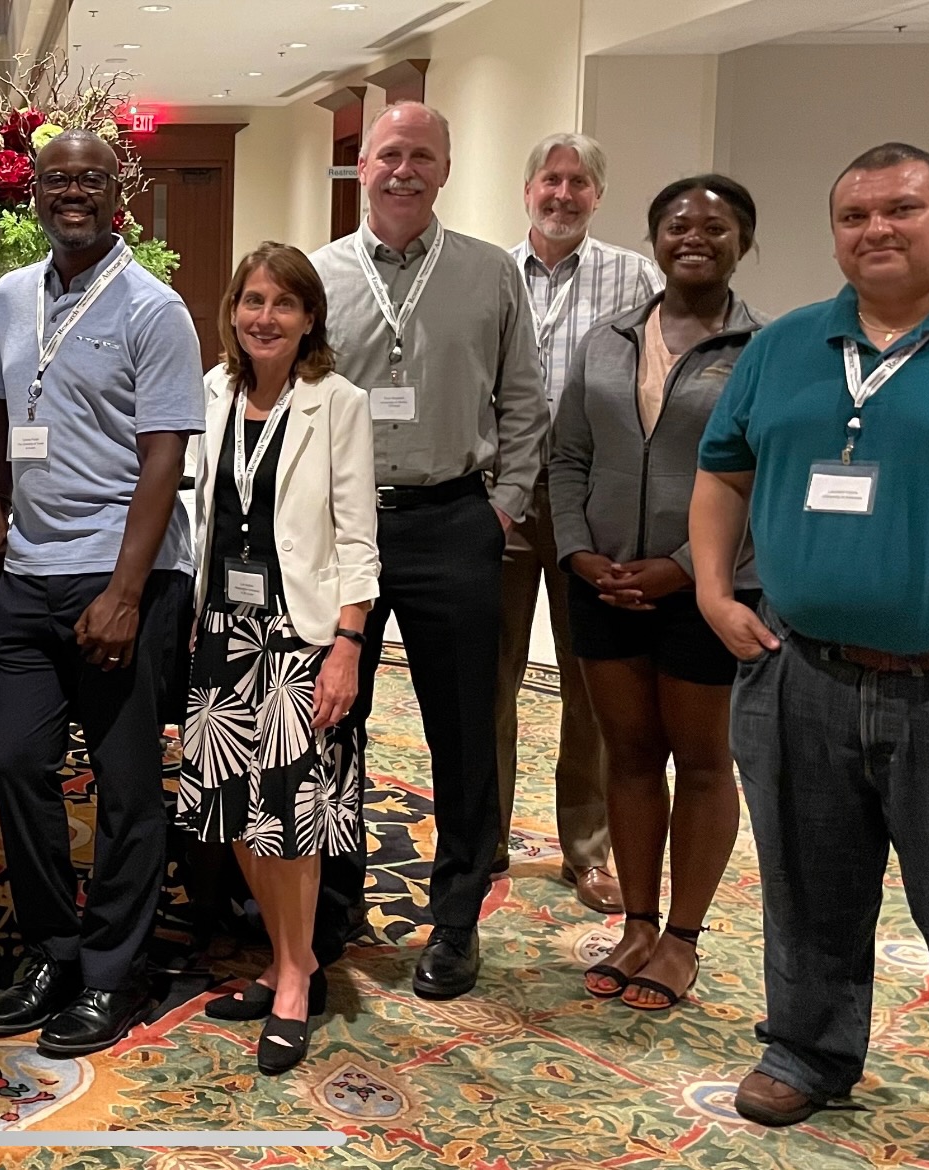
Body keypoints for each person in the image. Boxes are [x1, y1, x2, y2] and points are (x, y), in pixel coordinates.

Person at [691, 142, 929, 1170]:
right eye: (854, 215)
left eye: (901, 209)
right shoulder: (785, 348)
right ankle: (808, 1051)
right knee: (806, 885)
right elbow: (723, 468)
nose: (876, 230)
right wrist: (712, 588)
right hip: (803, 673)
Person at [0, 129, 204, 1057]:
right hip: (28, 573)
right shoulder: (15, 294)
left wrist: (128, 591)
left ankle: (113, 972)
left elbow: (164, 453)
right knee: (17, 765)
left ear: (117, 194)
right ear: (37, 196)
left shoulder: (157, 308)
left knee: (128, 786)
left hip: (120, 578)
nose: (72, 195)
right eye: (57, 181)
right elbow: (6, 404)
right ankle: (57, 948)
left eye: (89, 182)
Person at [308, 101, 549, 1000]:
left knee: (462, 726)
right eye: (387, 155)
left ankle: (455, 921)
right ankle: (330, 905)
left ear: (444, 168)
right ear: (360, 167)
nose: (403, 171)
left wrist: (505, 508)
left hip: (455, 520)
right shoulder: (320, 274)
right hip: (343, 528)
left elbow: (524, 401)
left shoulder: (489, 275)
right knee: (332, 720)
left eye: (421, 156)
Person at [549, 174, 766, 1012]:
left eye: (715, 227)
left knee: (703, 761)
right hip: (602, 583)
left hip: (707, 590)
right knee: (629, 757)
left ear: (743, 242)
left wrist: (685, 564)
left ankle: (682, 939)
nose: (695, 238)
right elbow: (568, 458)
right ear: (654, 237)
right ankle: (638, 924)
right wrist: (575, 552)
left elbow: (766, 478)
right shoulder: (605, 340)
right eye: (678, 224)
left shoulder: (764, 349)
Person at [180, 243, 378, 1076]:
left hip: (301, 637)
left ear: (309, 321)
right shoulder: (213, 391)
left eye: (283, 305)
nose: (264, 317)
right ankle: (281, 960)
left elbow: (359, 535)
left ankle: (295, 977)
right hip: (223, 629)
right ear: (233, 310)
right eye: (252, 301)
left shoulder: (338, 403)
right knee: (239, 813)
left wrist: (349, 644)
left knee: (293, 818)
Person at [500, 133, 665, 914]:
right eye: (549, 179)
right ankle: (484, 838)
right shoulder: (492, 273)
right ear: (526, 188)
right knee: (487, 680)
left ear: (598, 194)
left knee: (593, 685)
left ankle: (589, 849)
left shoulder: (637, 279)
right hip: (497, 495)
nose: (561, 194)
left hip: (590, 504)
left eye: (578, 182)